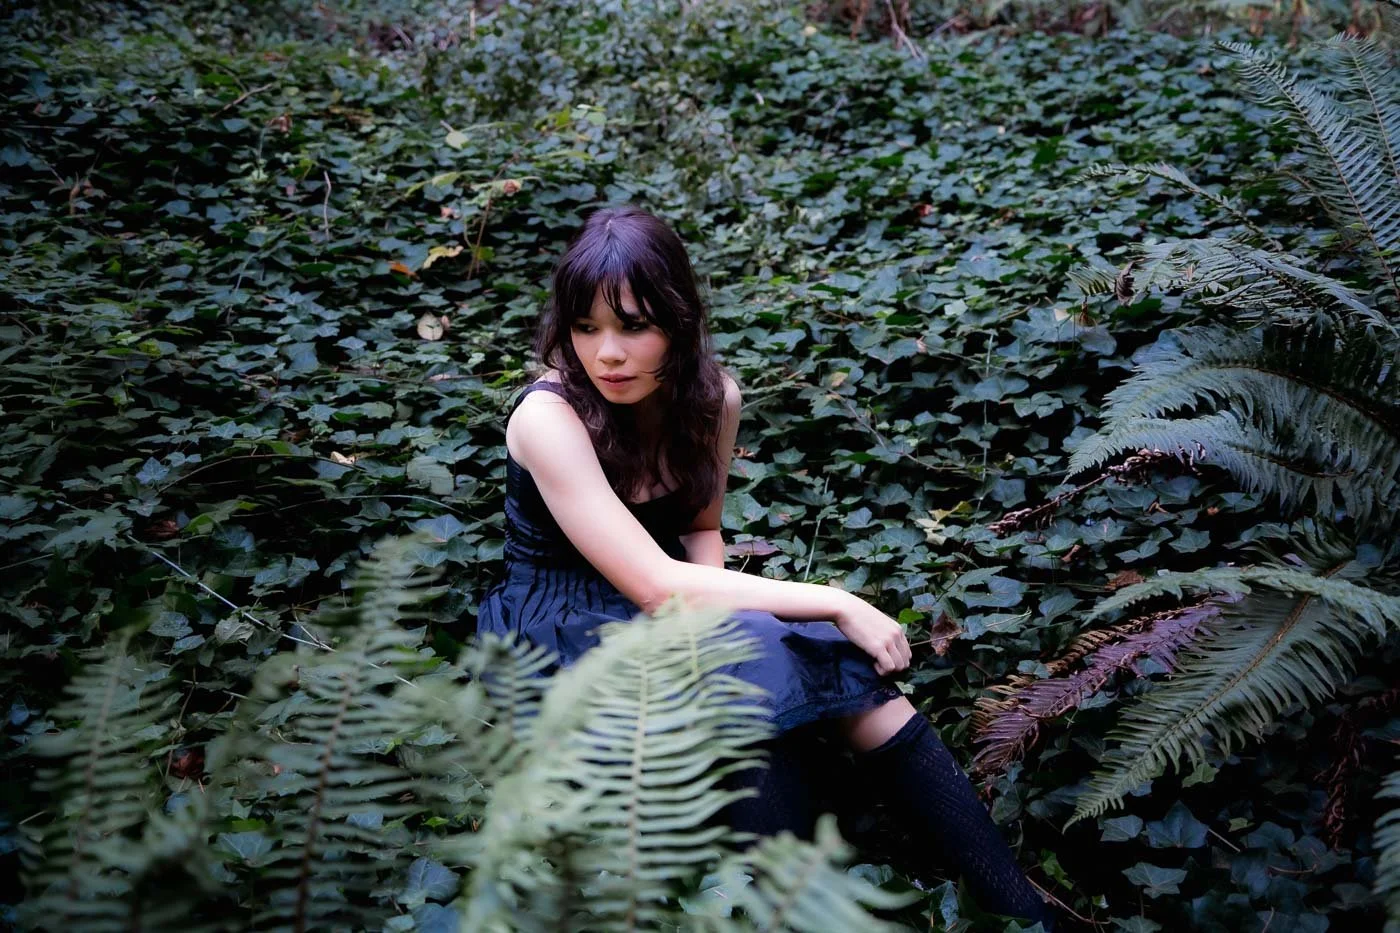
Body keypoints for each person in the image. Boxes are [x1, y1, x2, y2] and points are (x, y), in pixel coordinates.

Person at [474, 204, 1055, 930]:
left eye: (632, 325)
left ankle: (1024, 911)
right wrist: (832, 597)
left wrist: (727, 626)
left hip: (675, 589)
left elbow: (698, 529)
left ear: (679, 323)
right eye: (586, 327)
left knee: (835, 672)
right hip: (562, 625)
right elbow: (655, 584)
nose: (607, 353)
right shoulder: (548, 417)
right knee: (751, 705)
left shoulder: (712, 399)